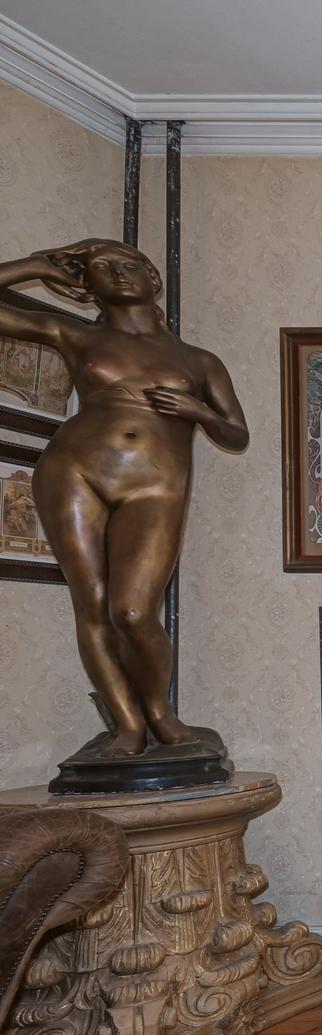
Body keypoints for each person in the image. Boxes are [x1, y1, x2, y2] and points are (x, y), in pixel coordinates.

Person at [0, 239, 248, 763]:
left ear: (151, 277)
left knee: (133, 611)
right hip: (73, 471)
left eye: (127, 264)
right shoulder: (77, 335)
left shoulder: (198, 359)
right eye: (102, 269)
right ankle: (127, 726)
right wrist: (31, 267)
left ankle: (159, 711)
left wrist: (196, 410)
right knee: (90, 604)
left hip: (155, 484)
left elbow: (236, 434)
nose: (116, 273)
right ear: (88, 285)